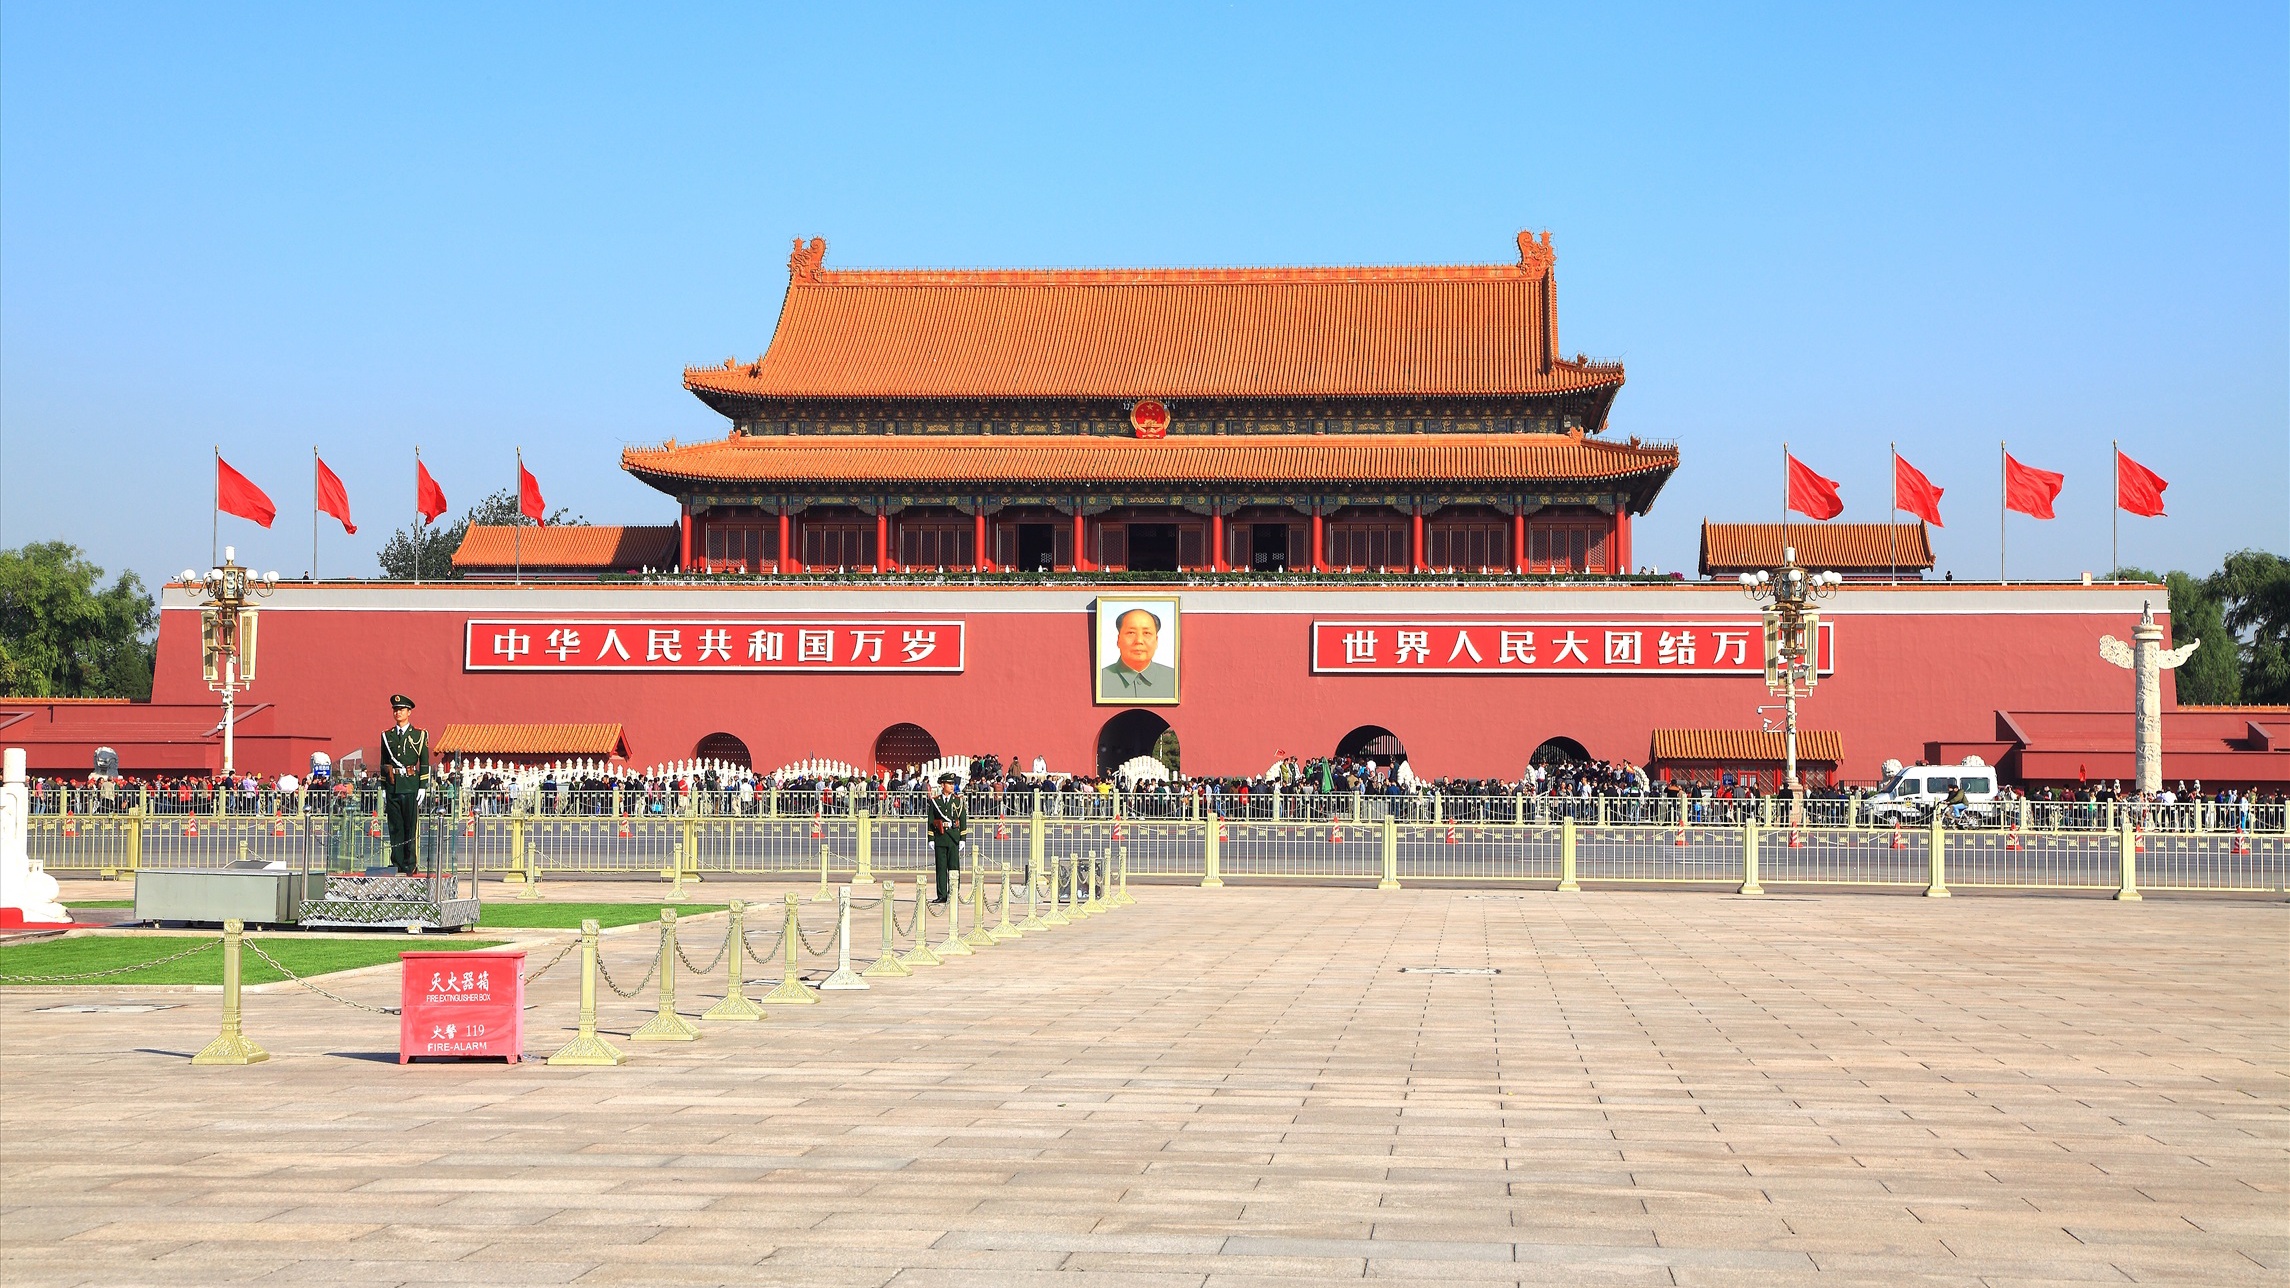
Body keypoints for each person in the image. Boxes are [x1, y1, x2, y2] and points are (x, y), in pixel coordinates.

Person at [379, 694, 429, 875]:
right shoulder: (386, 736)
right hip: (393, 785)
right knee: (395, 826)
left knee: (410, 826)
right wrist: (384, 787)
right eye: (395, 709)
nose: (397, 712)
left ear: (409, 712)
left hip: (410, 785)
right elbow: (384, 763)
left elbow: (423, 762)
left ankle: (410, 864)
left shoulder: (419, 735)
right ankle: (397, 863)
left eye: (401, 709)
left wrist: (423, 786)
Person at [1100, 607, 1176, 698]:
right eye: (1131, 633)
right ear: (1118, 640)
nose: (1139, 641)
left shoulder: (1175, 679)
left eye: (1147, 633)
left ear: (1156, 641)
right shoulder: (1099, 680)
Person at [926, 772, 966, 905]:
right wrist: (931, 838)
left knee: (954, 867)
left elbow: (963, 820)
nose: (952, 786)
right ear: (942, 785)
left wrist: (962, 838)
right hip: (940, 838)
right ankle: (942, 894)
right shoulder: (935, 801)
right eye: (949, 784)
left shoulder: (958, 800)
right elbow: (931, 820)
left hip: (953, 838)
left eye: (953, 784)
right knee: (941, 867)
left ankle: (953, 892)